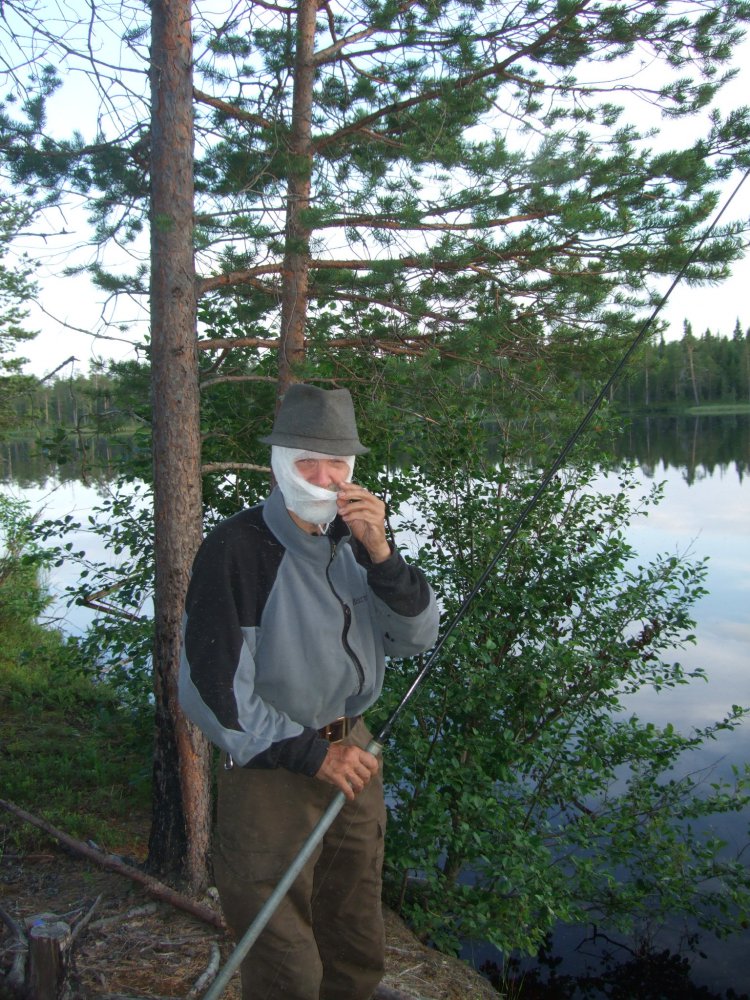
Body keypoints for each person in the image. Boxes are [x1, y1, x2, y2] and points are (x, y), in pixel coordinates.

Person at [178, 383, 440, 1000]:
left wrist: (382, 555)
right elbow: (211, 691)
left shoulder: (356, 541)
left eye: (337, 464)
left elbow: (416, 638)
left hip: (355, 753)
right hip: (272, 767)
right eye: (307, 462)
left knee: (355, 934)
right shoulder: (236, 549)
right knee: (283, 960)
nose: (325, 479)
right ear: (279, 463)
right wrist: (310, 754)